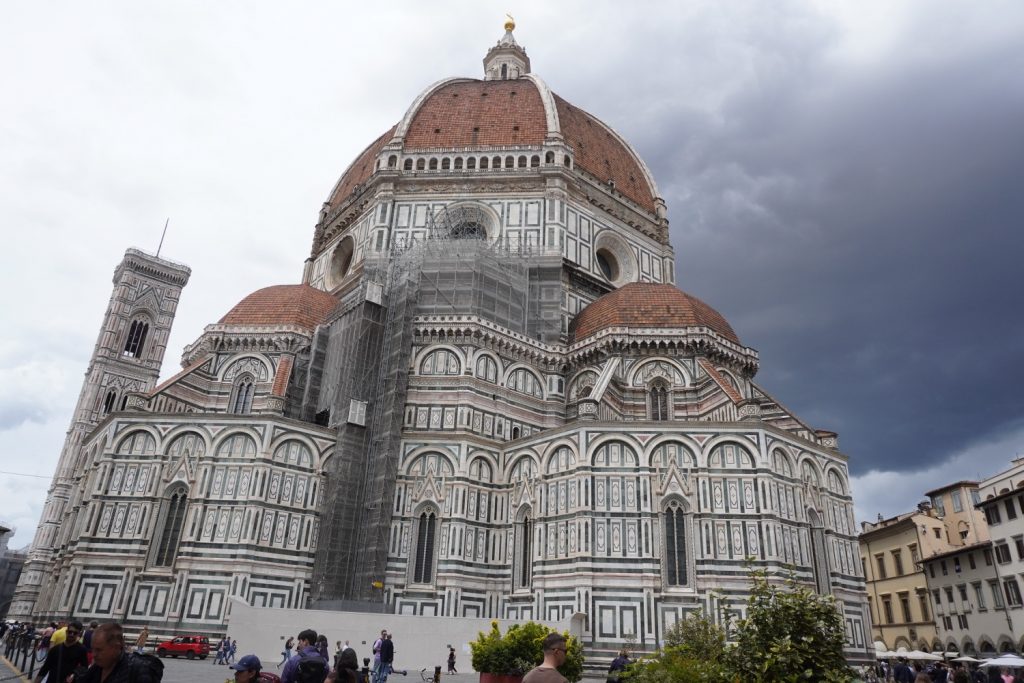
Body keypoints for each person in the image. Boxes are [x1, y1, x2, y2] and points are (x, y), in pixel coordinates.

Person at [78, 622, 163, 683]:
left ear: (116, 647)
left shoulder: (139, 669)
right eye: (93, 649)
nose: (94, 655)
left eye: (99, 650)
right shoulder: (97, 667)